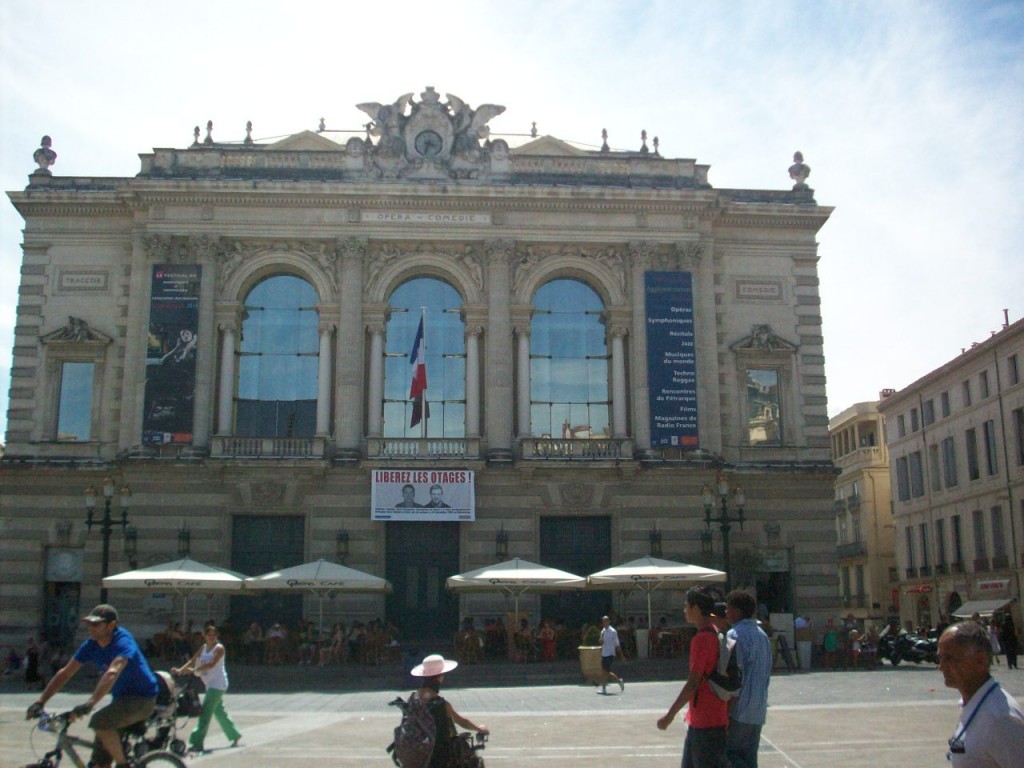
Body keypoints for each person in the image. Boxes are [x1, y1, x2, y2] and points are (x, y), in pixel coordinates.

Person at [26, 604, 158, 768]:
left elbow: (112, 672)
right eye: (89, 624)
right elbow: (66, 673)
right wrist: (41, 702)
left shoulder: (123, 641)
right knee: (98, 764)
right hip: (120, 701)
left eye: (96, 624)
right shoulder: (91, 645)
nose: (90, 628)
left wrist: (90, 703)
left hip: (142, 699)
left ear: (111, 625)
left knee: (99, 721)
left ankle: (124, 766)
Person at [657, 588, 728, 768]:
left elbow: (693, 682)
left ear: (695, 608)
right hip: (709, 717)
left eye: (686, 605)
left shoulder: (702, 639)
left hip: (706, 721)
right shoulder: (714, 632)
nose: (684, 610)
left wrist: (670, 715)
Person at [938, 620, 1024, 766]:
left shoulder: (1001, 719)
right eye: (940, 658)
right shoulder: (971, 704)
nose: (941, 667)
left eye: (949, 658)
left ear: (980, 660)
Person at [409, 653, 488, 767]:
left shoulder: (414, 699)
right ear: (440, 677)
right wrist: (479, 728)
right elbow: (462, 722)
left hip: (419, 749)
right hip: (441, 754)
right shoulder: (440, 704)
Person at [172, 624, 242, 753]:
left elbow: (211, 664)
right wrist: (180, 670)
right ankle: (235, 735)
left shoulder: (219, 648)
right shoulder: (203, 647)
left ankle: (197, 742)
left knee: (205, 714)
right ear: (204, 636)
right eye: (209, 635)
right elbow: (193, 660)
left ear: (217, 636)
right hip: (210, 684)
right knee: (219, 712)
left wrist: (194, 670)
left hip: (218, 684)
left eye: (213, 635)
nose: (211, 637)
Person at [725, 590, 772, 768]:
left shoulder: (734, 635)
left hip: (739, 709)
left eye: (728, 609)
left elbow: (734, 678)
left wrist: (727, 711)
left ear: (737, 611)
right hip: (758, 709)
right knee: (749, 757)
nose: (726, 613)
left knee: (728, 755)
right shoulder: (762, 636)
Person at [598, 615, 624, 695]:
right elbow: (601, 643)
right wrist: (600, 641)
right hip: (604, 653)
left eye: (606, 621)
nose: (604, 623)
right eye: (603, 621)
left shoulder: (613, 631)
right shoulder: (602, 631)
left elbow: (617, 644)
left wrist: (621, 655)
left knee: (604, 672)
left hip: (610, 654)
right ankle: (619, 681)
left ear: (609, 621)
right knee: (606, 672)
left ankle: (604, 688)